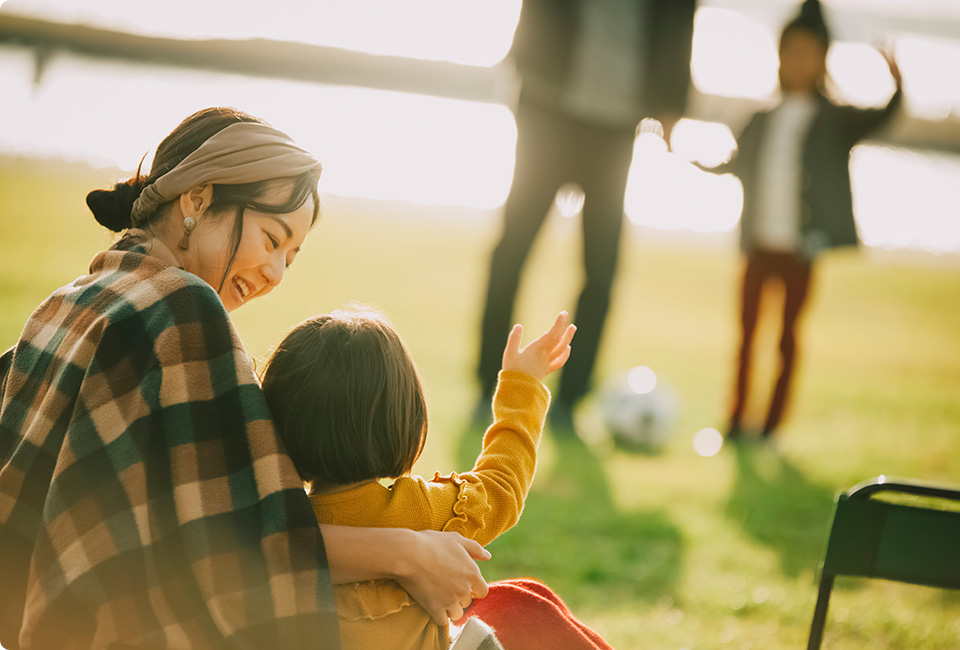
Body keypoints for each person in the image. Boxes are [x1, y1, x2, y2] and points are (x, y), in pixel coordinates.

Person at [0, 107, 488, 650]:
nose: (275, 273)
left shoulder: (69, 302)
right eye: (272, 239)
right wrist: (409, 553)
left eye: (290, 258)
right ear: (197, 200)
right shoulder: (181, 307)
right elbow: (238, 543)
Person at [260, 307, 606, 649]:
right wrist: (523, 384)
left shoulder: (269, 525)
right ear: (402, 417)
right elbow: (502, 485)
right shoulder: (421, 513)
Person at [475, 0, 697, 432]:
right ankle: (489, 386)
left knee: (601, 270)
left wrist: (672, 102)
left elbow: (678, 15)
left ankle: (569, 402)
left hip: (617, 124)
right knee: (510, 254)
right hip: (547, 103)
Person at [703, 0, 902, 440]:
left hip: (801, 249)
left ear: (823, 59)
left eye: (809, 52)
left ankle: (771, 427)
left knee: (787, 338)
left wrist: (896, 82)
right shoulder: (761, 119)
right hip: (758, 245)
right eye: (792, 51)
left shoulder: (834, 120)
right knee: (745, 336)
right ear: (779, 55)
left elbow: (883, 117)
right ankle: (736, 421)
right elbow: (730, 164)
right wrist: (679, 149)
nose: (799, 60)